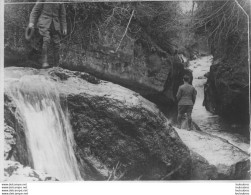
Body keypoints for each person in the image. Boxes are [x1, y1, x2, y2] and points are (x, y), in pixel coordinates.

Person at [28, 0, 67, 68]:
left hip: (55, 24)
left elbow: (62, 15)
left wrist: (64, 27)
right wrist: (31, 22)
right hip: (44, 22)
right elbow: (35, 11)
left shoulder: (60, 1)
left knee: (57, 44)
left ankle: (56, 65)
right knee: (47, 40)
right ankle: (44, 62)